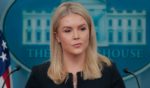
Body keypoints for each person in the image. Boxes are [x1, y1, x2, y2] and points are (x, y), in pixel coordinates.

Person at [25, 2, 125, 88]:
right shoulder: (39, 74)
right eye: (68, 31)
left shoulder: (108, 71)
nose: (76, 36)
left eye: (82, 29)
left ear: (90, 32)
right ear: (57, 37)